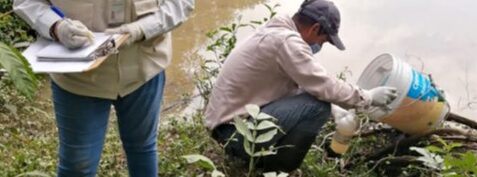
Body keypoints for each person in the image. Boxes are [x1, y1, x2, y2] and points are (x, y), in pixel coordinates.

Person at [205, 0, 398, 173]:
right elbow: (323, 84)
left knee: (320, 102)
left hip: (226, 129)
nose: (320, 46)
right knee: (317, 108)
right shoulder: (287, 42)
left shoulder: (276, 31)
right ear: (314, 29)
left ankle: (261, 158)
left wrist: (336, 110)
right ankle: (278, 169)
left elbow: (301, 85)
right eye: (323, 40)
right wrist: (368, 97)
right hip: (235, 136)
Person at [13, 0, 194, 176]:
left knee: (143, 148)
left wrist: (141, 29)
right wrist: (56, 26)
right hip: (77, 77)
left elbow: (181, 4)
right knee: (78, 164)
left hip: (143, 67)